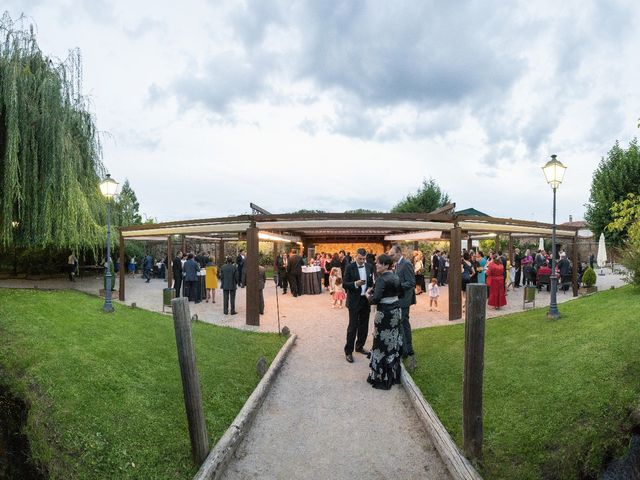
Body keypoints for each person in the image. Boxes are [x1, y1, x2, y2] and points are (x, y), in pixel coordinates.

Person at [365, 253, 403, 390]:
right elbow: (401, 293)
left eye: (379, 263)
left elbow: (375, 299)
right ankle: (392, 373)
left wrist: (367, 295)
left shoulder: (381, 279)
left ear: (386, 265)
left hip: (384, 314)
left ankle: (381, 377)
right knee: (392, 342)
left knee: (381, 343)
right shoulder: (396, 276)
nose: (376, 264)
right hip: (395, 312)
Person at [343, 248, 374, 363]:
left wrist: (370, 289)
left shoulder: (369, 266)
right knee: (353, 326)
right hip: (354, 301)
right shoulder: (349, 267)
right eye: (360, 259)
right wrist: (356, 284)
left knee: (364, 325)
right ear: (356, 256)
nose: (362, 261)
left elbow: (371, 282)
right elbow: (345, 284)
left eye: (364, 259)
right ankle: (348, 351)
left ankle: (360, 346)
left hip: (365, 300)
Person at [389, 244, 416, 363]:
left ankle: (408, 349)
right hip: (400, 298)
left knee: (404, 324)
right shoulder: (398, 264)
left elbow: (411, 282)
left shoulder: (406, 264)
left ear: (399, 253)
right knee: (402, 323)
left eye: (392, 255)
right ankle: (405, 349)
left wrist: (397, 287)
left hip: (404, 300)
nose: (391, 257)